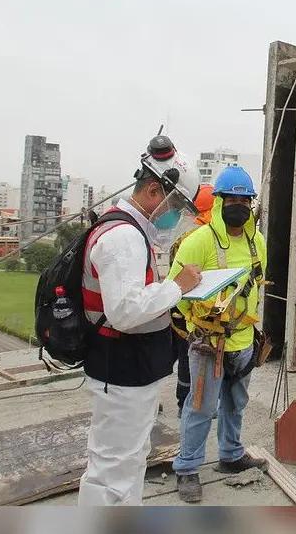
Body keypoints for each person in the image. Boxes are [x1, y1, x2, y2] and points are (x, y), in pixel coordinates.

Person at [76, 135, 206, 506]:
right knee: (114, 470)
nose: (175, 215)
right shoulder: (124, 238)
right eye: (176, 205)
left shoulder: (127, 231)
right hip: (122, 369)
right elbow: (125, 311)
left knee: (126, 461)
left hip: (126, 369)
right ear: (153, 191)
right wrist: (177, 287)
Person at [167, 165, 269, 503]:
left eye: (245, 200)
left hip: (243, 340)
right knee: (201, 407)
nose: (239, 206)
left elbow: (256, 285)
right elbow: (173, 290)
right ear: (219, 202)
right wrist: (195, 324)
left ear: (251, 204)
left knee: (236, 403)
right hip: (209, 344)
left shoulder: (257, 242)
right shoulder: (198, 242)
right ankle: (187, 467)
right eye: (232, 200)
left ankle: (231, 455)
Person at [169, 184, 215, 415]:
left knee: (185, 356)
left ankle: (183, 403)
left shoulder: (183, 233)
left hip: (178, 305)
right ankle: (191, 404)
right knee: (194, 357)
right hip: (195, 308)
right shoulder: (203, 236)